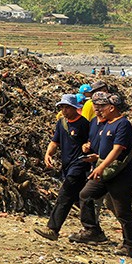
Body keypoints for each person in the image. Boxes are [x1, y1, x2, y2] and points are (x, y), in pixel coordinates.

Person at [70, 92, 132, 258]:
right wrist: (93, 155)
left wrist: (101, 166)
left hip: (120, 175)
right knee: (85, 194)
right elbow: (104, 148)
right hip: (104, 171)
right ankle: (92, 230)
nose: (97, 110)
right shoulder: (107, 124)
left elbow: (117, 149)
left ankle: (130, 245)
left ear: (111, 107)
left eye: (101, 107)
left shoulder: (123, 124)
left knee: (122, 211)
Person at [34, 94, 91, 241]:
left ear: (75, 108)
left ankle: (53, 229)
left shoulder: (84, 124)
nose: (64, 110)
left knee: (64, 196)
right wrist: (48, 154)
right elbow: (55, 142)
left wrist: (87, 148)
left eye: (66, 107)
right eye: (62, 107)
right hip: (67, 166)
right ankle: (94, 229)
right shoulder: (61, 123)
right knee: (81, 199)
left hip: (79, 165)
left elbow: (92, 143)